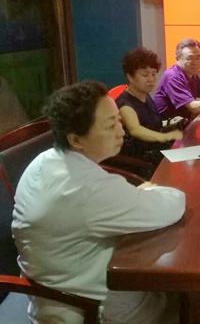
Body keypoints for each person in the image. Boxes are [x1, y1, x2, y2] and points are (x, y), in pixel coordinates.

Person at [12, 81, 186, 324]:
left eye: (118, 120)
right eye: (110, 125)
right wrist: (150, 189)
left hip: (53, 293)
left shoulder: (45, 160)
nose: (121, 131)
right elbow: (174, 205)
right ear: (76, 139)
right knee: (195, 301)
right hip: (89, 309)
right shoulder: (87, 189)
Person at [116, 47, 183, 173]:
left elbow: (149, 122)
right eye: (145, 75)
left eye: (153, 74)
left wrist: (169, 122)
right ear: (130, 77)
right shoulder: (125, 105)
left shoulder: (145, 96)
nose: (151, 79)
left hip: (153, 151)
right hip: (139, 161)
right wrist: (165, 136)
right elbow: (136, 130)